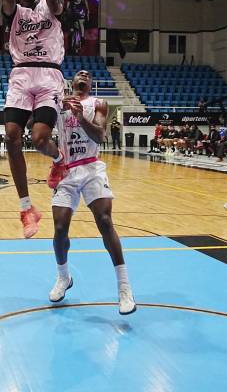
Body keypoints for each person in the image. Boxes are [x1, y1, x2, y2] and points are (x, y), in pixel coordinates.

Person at [49, 70, 135, 314]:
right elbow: (37, 127)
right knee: (59, 228)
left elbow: (99, 135)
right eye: (79, 73)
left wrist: (79, 116)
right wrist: (54, 103)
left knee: (105, 221)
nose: (84, 75)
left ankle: (124, 288)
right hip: (66, 170)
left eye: (88, 75)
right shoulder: (59, 103)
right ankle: (63, 277)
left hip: (91, 167)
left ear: (90, 84)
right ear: (72, 82)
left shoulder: (98, 103)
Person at [0, 0, 67, 238]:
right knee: (11, 136)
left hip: (49, 74)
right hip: (21, 75)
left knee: (40, 139)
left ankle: (59, 158)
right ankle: (27, 208)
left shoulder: (50, 6)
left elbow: (57, 4)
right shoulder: (13, 9)